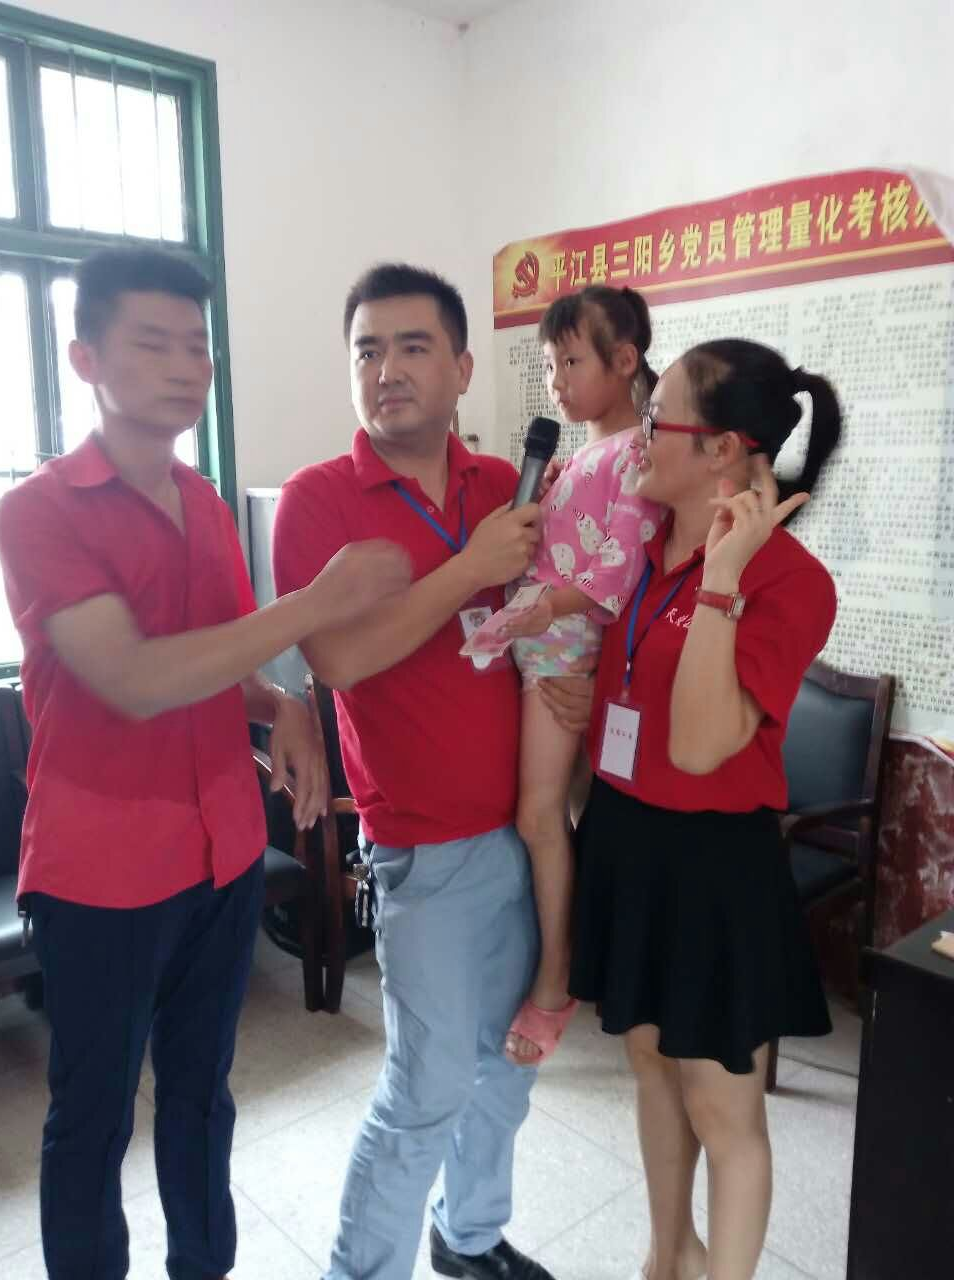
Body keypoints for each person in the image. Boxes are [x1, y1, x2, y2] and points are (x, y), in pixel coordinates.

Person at [0, 247, 408, 1280]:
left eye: (198, 346)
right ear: (86, 357)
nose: (186, 366)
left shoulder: (206, 501)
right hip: (101, 872)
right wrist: (314, 605)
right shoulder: (37, 511)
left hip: (222, 852)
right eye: (154, 343)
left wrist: (284, 705)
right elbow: (134, 677)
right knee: (92, 1116)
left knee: (200, 1094)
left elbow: (220, 664)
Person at [272, 262, 592, 1280]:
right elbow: (338, 659)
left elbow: (559, 610)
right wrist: (467, 569)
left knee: (507, 1069)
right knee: (425, 1090)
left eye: (413, 347)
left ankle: (470, 1236)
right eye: (367, 350)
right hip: (427, 851)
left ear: (461, 368)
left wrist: (578, 688)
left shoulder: (506, 487)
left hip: (531, 831)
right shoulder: (319, 501)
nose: (388, 370)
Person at [568, 339, 841, 1280]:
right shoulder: (644, 549)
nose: (638, 432)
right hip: (627, 838)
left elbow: (697, 745)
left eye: (657, 417)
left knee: (722, 1104)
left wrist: (722, 578)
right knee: (650, 1064)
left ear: (722, 449)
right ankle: (667, 1256)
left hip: (715, 860)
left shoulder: (789, 581)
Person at [500, 286, 665, 1067]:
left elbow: (615, 576)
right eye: (549, 366)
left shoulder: (635, 453)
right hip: (541, 643)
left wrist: (543, 607)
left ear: (624, 361)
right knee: (562, 813)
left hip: (562, 652)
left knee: (539, 816)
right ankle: (577, 956)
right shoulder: (589, 455)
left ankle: (554, 979)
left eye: (571, 363)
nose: (556, 382)